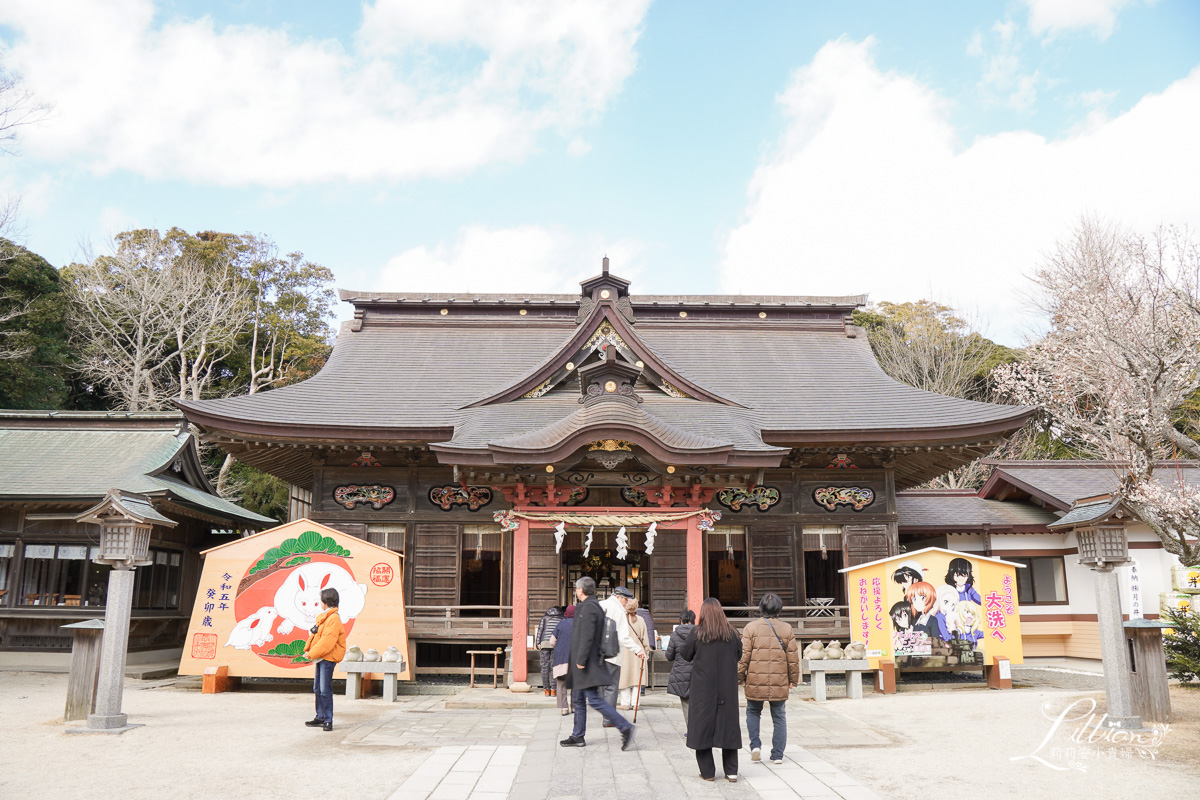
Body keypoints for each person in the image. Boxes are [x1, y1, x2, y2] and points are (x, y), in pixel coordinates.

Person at [560, 577, 635, 750]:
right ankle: (578, 735)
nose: (576, 591)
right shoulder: (594, 606)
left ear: (580, 590)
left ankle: (625, 727)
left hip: (586, 663)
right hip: (586, 661)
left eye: (577, 589)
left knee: (593, 700)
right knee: (578, 699)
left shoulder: (589, 607)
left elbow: (587, 635)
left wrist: (580, 660)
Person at [679, 598, 742, 783]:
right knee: (728, 727)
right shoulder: (732, 634)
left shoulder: (697, 634)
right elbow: (739, 654)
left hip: (703, 689)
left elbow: (685, 654)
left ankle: (707, 772)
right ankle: (731, 772)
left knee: (702, 728)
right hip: (727, 688)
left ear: (703, 613)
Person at [738, 592, 800, 765]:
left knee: (752, 711)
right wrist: (793, 679)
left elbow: (744, 656)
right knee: (779, 716)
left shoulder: (750, 628)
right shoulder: (786, 628)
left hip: (755, 679)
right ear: (779, 609)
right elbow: (793, 658)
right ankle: (778, 755)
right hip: (780, 679)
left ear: (761, 608)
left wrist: (739, 677)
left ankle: (755, 746)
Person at [599, 586, 646, 720]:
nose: (626, 603)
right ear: (619, 597)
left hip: (598, 653)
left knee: (601, 686)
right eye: (626, 600)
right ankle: (608, 718)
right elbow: (623, 636)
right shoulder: (618, 611)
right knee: (611, 687)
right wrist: (637, 649)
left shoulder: (600, 605)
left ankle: (605, 714)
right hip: (612, 653)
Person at [303, 587, 346, 732]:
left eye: (321, 599)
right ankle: (320, 716)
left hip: (327, 658)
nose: (319, 602)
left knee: (324, 689)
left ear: (326, 601)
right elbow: (316, 636)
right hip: (321, 657)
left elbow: (327, 641)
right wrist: (309, 650)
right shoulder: (325, 616)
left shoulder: (333, 618)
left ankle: (328, 719)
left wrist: (311, 653)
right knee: (318, 688)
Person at [665, 609, 696, 727]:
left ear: (681, 621)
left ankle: (690, 730)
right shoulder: (700, 633)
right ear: (693, 620)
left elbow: (669, 656)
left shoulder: (675, 634)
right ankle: (700, 730)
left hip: (681, 672)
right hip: (697, 671)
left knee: (686, 703)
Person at [618, 597, 650, 709]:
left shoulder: (621, 619)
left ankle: (625, 703)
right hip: (638, 651)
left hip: (624, 651)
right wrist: (646, 651)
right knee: (637, 679)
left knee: (625, 677)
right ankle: (636, 703)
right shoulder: (641, 620)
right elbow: (645, 639)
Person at [550, 604, 575, 715]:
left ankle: (564, 708)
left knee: (561, 683)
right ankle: (575, 707)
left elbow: (552, 641)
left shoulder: (561, 624)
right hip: (575, 658)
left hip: (561, 658)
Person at [535, 605, 564, 696]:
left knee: (544, 667)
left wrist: (538, 643)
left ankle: (546, 690)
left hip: (544, 643)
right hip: (557, 643)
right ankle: (554, 690)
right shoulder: (562, 618)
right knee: (554, 667)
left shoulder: (545, 618)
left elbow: (540, 631)